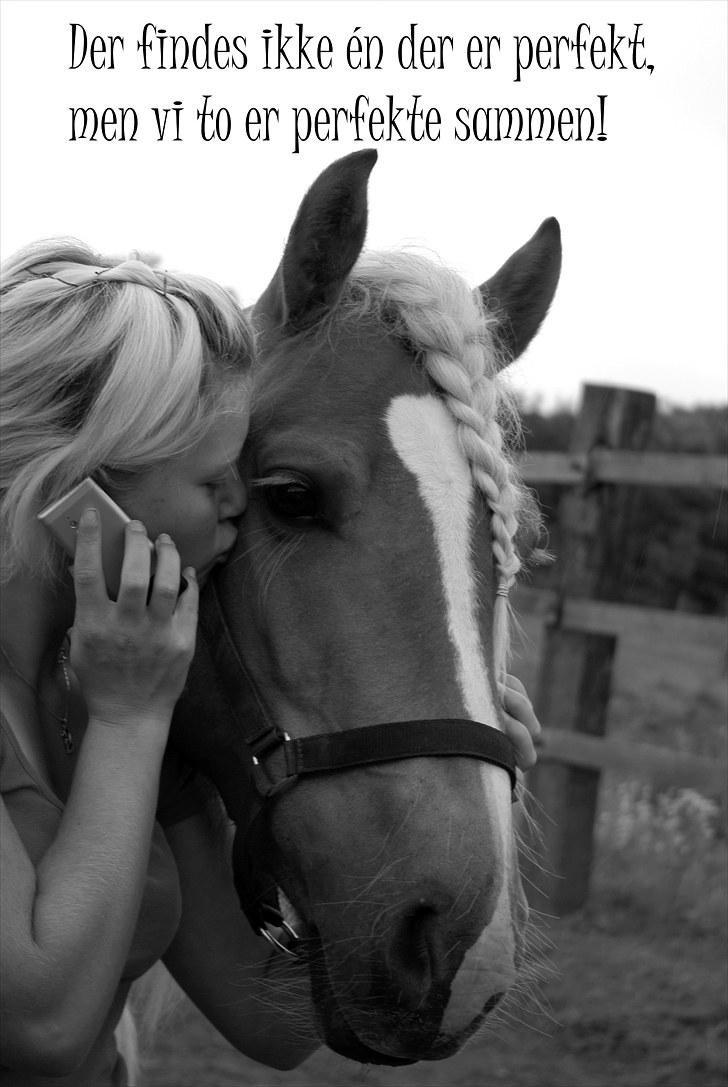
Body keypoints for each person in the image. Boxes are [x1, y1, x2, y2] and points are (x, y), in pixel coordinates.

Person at [0, 239, 541, 1085]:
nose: (237, 506)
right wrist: (129, 719)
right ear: (81, 487)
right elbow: (40, 1028)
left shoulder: (116, 688)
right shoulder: (125, 704)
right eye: (214, 479)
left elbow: (266, 1019)